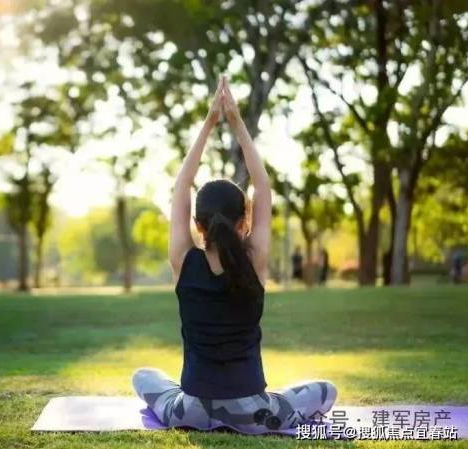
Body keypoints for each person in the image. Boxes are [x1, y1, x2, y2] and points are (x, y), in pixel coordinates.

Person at [132, 76, 336, 434]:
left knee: (143, 376)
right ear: (245, 221)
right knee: (326, 390)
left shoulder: (183, 259)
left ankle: (201, 412)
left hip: (191, 411)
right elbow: (263, 186)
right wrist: (237, 123)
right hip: (252, 414)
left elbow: (181, 187)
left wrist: (209, 122)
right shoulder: (254, 259)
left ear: (198, 225)